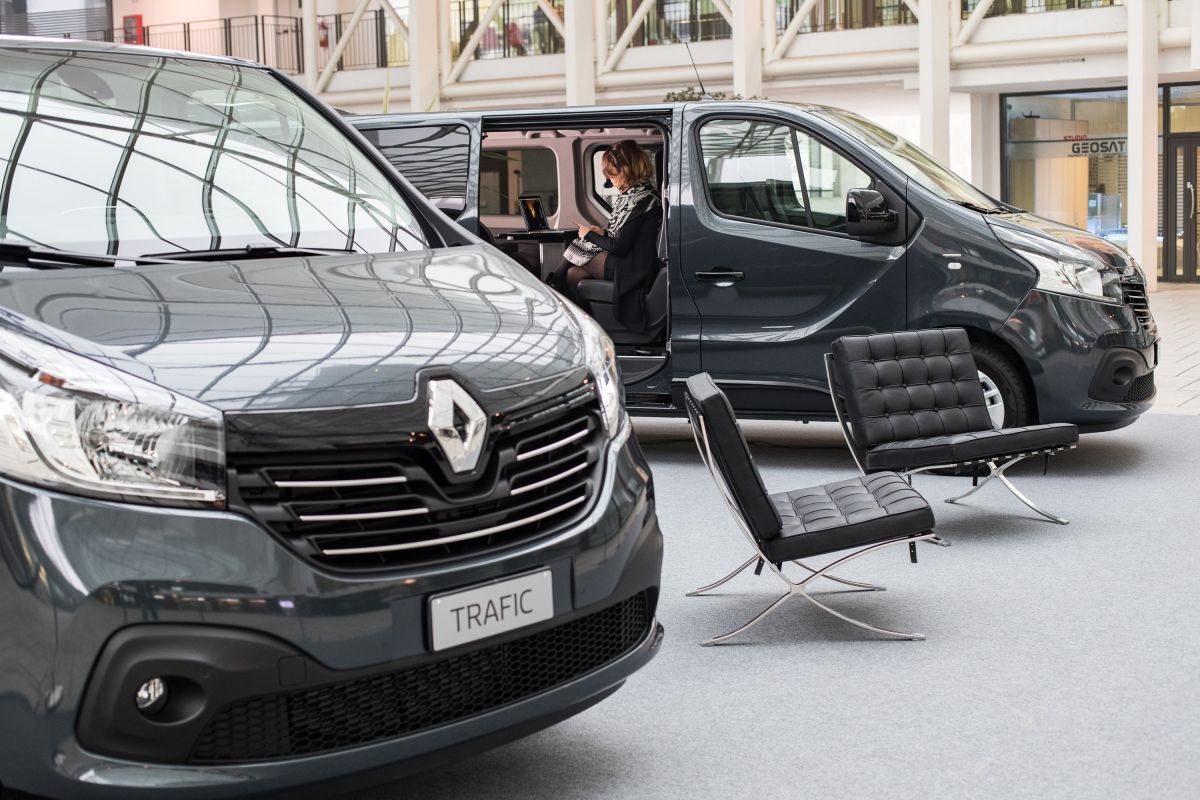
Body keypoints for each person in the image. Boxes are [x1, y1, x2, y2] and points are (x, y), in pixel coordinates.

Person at [553, 140, 662, 333]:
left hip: (633, 268)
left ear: (626, 170)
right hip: (630, 260)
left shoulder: (639, 201)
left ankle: (553, 286)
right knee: (573, 274)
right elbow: (626, 236)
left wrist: (589, 235)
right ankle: (588, 327)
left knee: (578, 245)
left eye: (612, 175)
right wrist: (602, 233)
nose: (610, 181)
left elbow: (619, 246)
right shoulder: (640, 195)